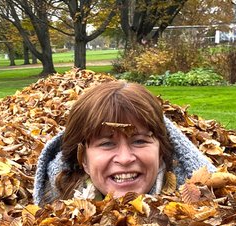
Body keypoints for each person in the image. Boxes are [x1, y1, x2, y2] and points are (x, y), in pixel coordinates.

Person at [33, 81, 215, 205]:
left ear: (161, 151)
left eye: (140, 141)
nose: (125, 158)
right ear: (83, 159)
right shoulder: (53, 211)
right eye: (107, 144)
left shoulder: (204, 204)